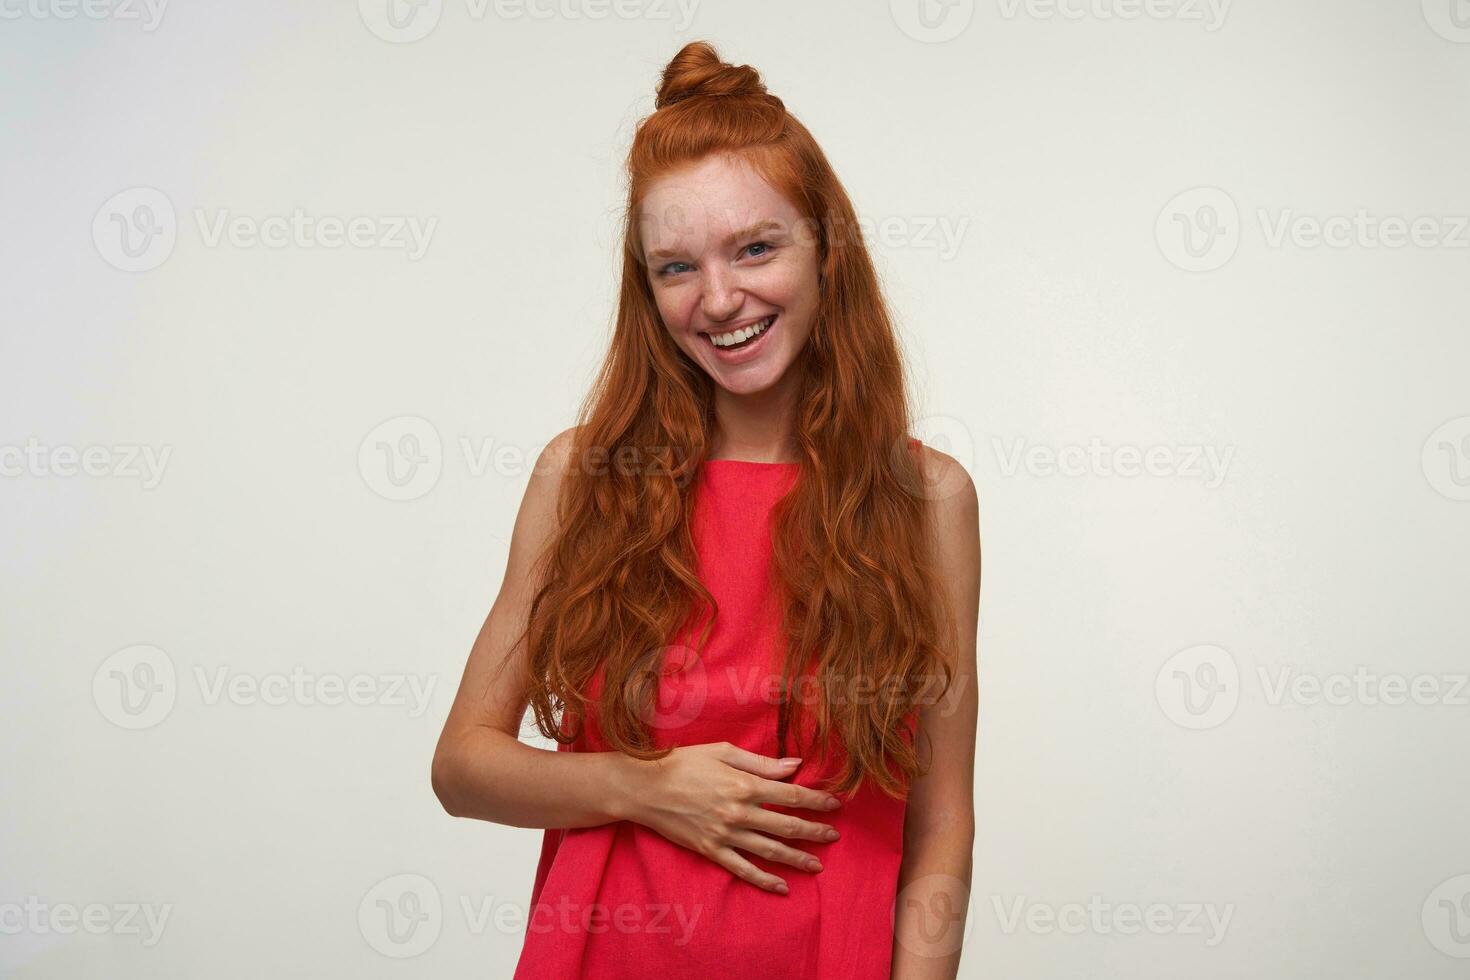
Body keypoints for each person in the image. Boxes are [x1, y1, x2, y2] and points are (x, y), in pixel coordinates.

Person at [431, 40, 980, 980]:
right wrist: (643, 787)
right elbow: (463, 765)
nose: (719, 299)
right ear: (645, 289)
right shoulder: (583, 478)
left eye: (756, 248)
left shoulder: (928, 500)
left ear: (826, 251)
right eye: (675, 267)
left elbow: (941, 828)